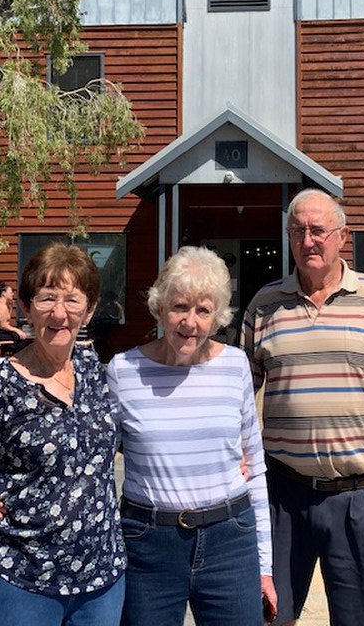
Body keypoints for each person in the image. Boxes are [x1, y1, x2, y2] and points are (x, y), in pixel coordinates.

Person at [241, 189, 364, 626]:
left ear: (343, 236)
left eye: (318, 230)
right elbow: (239, 398)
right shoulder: (264, 305)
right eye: (298, 231)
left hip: (361, 497)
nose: (308, 240)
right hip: (284, 497)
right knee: (266, 615)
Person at [0, 243, 126, 626]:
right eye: (46, 298)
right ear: (27, 309)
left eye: (72, 300)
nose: (59, 313)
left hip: (100, 581)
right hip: (19, 580)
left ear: (90, 309)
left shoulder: (98, 374)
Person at [108, 245, 277, 626]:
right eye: (180, 307)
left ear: (217, 316)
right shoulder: (123, 371)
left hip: (229, 541)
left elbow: (257, 468)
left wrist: (264, 564)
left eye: (203, 310)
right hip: (148, 544)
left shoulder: (235, 366)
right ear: (159, 307)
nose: (190, 322)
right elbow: (94, 460)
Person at [0, 280, 28, 347]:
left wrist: (10, 307)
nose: (13, 294)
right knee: (23, 339)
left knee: (19, 336)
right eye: (11, 292)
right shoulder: (1, 306)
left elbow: (6, 320)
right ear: (3, 293)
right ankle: (17, 356)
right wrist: (17, 330)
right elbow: (3, 325)